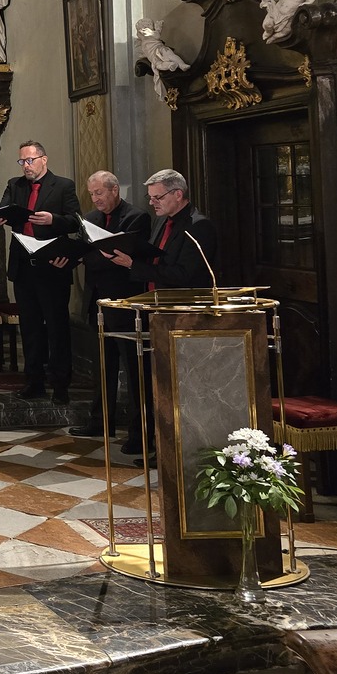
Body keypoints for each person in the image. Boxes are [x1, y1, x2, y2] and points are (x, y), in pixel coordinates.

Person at [109, 168, 218, 468]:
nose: (152, 203)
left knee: (177, 388)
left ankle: (177, 452)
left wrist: (132, 265)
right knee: (156, 384)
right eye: (150, 197)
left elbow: (183, 275)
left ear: (178, 194)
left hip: (182, 317)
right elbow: (156, 259)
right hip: (155, 313)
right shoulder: (162, 222)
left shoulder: (199, 226)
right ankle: (158, 444)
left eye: (158, 197)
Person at [0, 141, 81, 403]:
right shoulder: (15, 185)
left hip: (52, 267)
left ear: (44, 159)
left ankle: (60, 384)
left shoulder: (62, 186)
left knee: (56, 328)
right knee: (30, 329)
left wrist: (54, 220)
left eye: (30, 160)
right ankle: (34, 381)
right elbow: (2, 211)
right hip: (24, 268)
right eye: (22, 161)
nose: (26, 166)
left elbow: (76, 221)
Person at [69, 172, 151, 444]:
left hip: (125, 304)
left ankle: (139, 433)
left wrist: (93, 257)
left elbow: (123, 258)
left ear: (115, 190)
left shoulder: (136, 218)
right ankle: (101, 422)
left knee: (134, 369)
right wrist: (88, 256)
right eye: (92, 194)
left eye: (100, 193)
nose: (95, 199)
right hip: (97, 302)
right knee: (102, 367)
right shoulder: (90, 219)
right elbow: (84, 253)